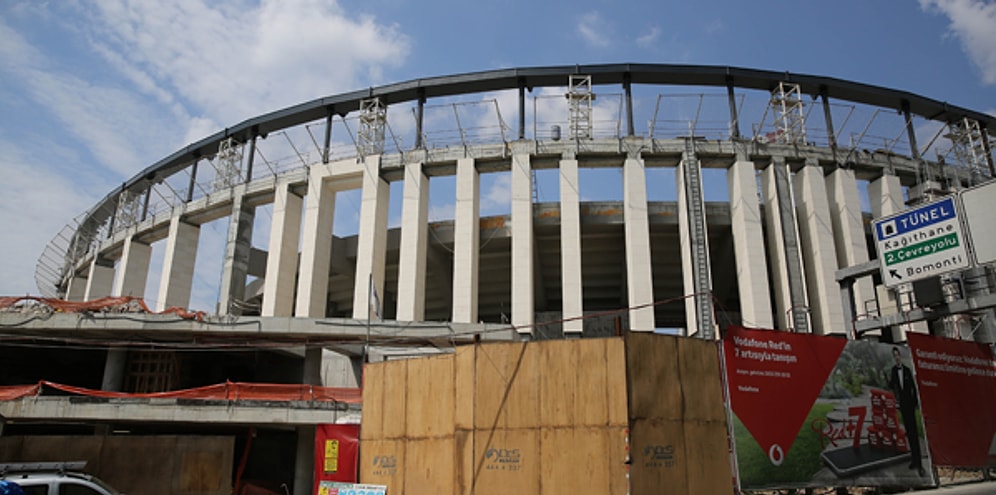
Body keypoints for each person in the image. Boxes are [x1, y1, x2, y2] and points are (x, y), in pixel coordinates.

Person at [889, 345, 925, 476]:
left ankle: (919, 462)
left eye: (898, 355)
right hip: (902, 405)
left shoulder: (907, 370)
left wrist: (915, 403)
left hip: (909, 404)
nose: (897, 357)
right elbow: (892, 385)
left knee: (914, 432)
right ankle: (914, 461)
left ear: (900, 356)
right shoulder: (893, 371)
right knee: (908, 433)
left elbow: (913, 388)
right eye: (895, 355)